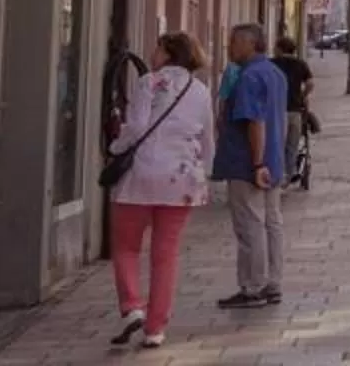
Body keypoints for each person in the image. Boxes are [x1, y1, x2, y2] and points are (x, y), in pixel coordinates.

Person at [109, 31, 213, 350]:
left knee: (126, 246)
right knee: (165, 255)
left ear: (168, 53)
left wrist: (116, 146)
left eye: (158, 48)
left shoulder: (149, 83)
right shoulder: (201, 91)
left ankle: (132, 308)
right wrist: (204, 173)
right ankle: (156, 328)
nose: (153, 53)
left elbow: (138, 127)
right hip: (182, 179)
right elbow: (208, 138)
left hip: (142, 175)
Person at [215, 22, 291, 309]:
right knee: (272, 223)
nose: (229, 48)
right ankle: (273, 283)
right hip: (273, 160)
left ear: (249, 43)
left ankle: (252, 287)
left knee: (250, 225)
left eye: (233, 42)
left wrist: (257, 162)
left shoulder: (248, 77)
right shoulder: (275, 74)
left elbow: (255, 122)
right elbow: (279, 120)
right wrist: (275, 158)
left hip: (248, 163)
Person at [271, 36, 316, 191]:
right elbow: (310, 84)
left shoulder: (272, 63)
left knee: (277, 144)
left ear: (279, 49)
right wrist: (302, 96)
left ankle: (277, 174)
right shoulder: (300, 64)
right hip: (295, 110)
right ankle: (288, 175)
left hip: (277, 111)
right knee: (292, 145)